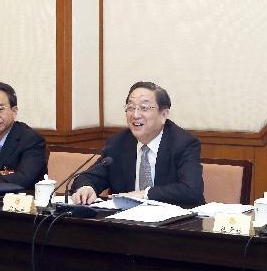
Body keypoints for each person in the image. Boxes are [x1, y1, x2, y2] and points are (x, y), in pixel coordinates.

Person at [71, 81, 204, 207]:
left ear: (163, 114)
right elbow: (87, 177)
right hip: (128, 224)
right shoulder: (117, 143)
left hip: (175, 224)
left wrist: (144, 194)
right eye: (131, 107)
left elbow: (191, 189)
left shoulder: (183, 143)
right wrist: (86, 188)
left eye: (144, 108)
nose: (135, 115)